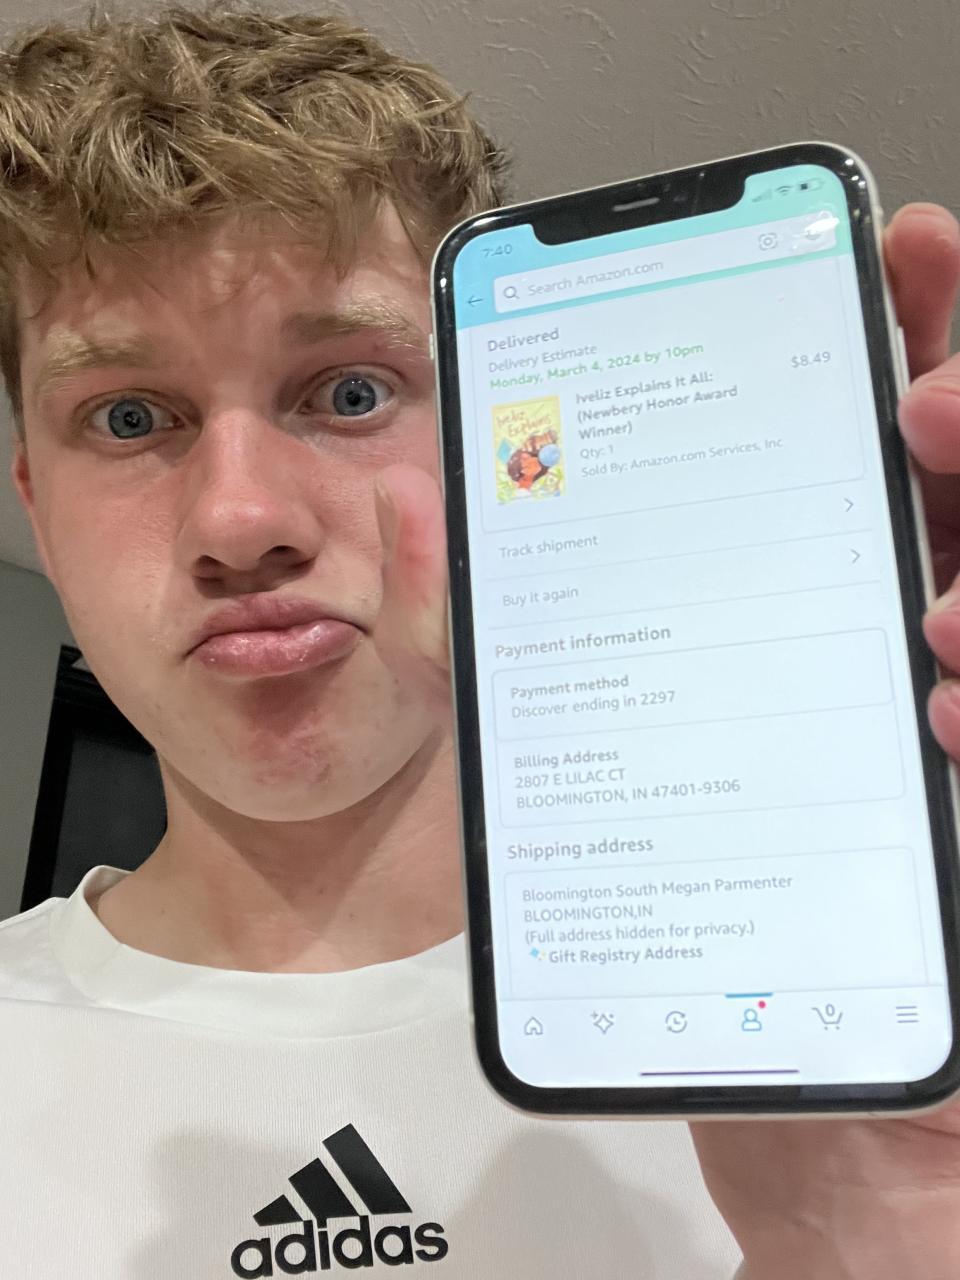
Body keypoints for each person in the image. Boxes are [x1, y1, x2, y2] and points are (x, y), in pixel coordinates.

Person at [1, 4, 959, 1277]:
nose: (240, 521)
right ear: (37, 508)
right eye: (129, 416)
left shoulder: (809, 1014)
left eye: (351, 392)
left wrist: (874, 1242)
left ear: (501, 453)